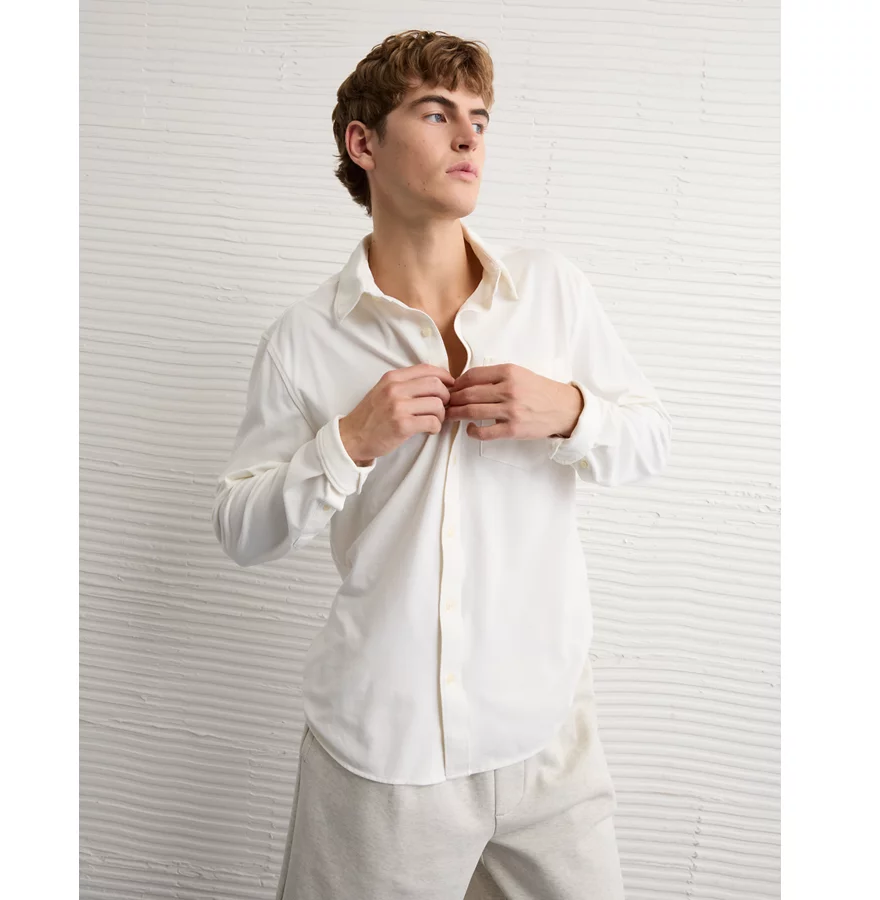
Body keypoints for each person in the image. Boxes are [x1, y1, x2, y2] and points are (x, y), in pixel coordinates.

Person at [212, 28, 672, 900]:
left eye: (480, 118)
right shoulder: (304, 340)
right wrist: (348, 442)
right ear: (364, 143)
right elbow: (239, 529)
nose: (469, 137)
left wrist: (569, 410)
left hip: (549, 743)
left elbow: (652, 440)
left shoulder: (552, 291)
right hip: (384, 758)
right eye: (436, 113)